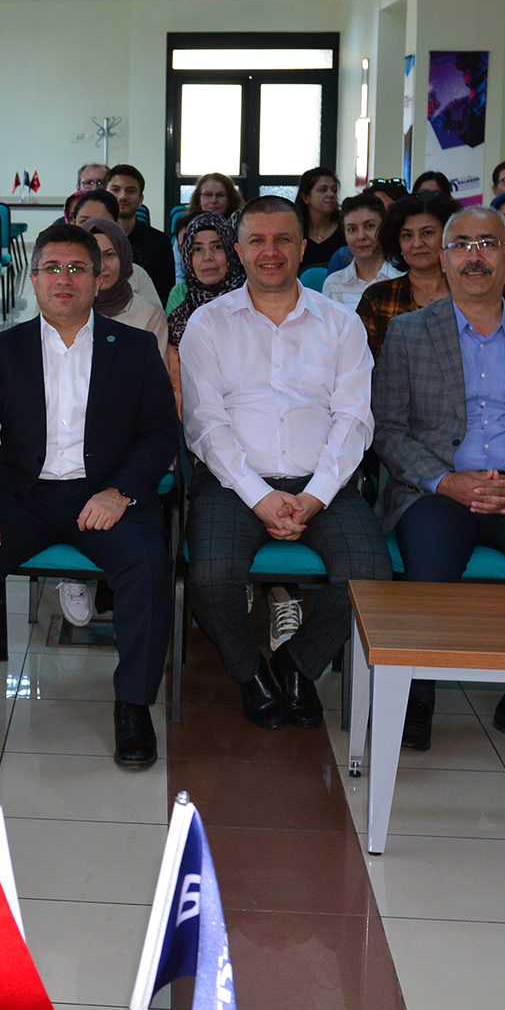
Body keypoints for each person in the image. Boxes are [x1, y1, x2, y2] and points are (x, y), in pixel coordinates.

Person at [0, 224, 181, 769]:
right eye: (53, 268)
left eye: (78, 269)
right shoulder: (4, 349)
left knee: (147, 566)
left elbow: (161, 434)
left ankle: (133, 706)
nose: (64, 280)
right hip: (21, 496)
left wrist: (121, 491)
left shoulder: (136, 348)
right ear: (34, 278)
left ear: (100, 280)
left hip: (104, 497)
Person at [372, 205, 505, 757]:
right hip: (438, 494)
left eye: (488, 244)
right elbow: (389, 431)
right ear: (443, 260)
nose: (475, 256)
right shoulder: (407, 334)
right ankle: (416, 699)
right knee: (428, 570)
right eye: (462, 245)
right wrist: (445, 481)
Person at [180, 196, 391, 731]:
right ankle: (249, 671)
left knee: (370, 572)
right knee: (210, 579)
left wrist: (315, 495)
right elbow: (205, 423)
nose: (269, 252)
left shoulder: (340, 324)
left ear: (302, 248)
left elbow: (354, 421)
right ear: (238, 250)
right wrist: (261, 495)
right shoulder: (208, 325)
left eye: (282, 240)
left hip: (324, 480)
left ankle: (298, 664)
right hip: (232, 483)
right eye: (256, 240)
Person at [356, 193, 459, 359]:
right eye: (407, 236)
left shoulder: (466, 294)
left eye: (427, 233)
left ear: (448, 236)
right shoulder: (377, 298)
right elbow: (363, 367)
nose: (417, 244)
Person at [164, 211, 244, 406]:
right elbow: (176, 363)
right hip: (192, 398)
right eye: (197, 250)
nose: (207, 258)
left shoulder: (249, 294)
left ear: (232, 251)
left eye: (217, 247)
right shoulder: (180, 298)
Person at [84, 217, 169, 352]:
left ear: (123, 258)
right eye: (93, 256)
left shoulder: (149, 314)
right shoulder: (66, 310)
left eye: (109, 255)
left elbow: (156, 372)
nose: (101, 266)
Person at [72, 195, 162, 314]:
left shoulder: (137, 276)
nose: (95, 225)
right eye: (85, 221)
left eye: (109, 255)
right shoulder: (64, 277)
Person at [106, 164, 175, 300]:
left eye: (130, 191)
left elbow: (163, 295)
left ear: (141, 199)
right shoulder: (93, 238)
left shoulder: (159, 242)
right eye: (115, 190)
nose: (122, 196)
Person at [323, 191, 399, 308]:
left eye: (370, 226)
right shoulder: (334, 284)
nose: (361, 236)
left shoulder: (401, 276)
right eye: (352, 229)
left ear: (384, 228)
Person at [295, 166, 345, 273]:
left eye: (334, 190)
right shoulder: (295, 229)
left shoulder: (345, 228)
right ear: (306, 198)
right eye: (323, 190)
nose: (331, 194)